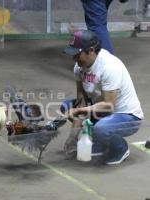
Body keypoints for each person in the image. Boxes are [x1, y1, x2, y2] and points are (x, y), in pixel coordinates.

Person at [62, 30, 144, 165]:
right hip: (101, 111)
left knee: (101, 128)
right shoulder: (79, 67)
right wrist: (72, 137)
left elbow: (109, 105)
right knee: (67, 106)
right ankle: (99, 142)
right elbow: (81, 101)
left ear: (91, 50)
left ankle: (120, 148)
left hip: (127, 116)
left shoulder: (109, 66)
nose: (74, 58)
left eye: (77, 54)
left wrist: (80, 112)